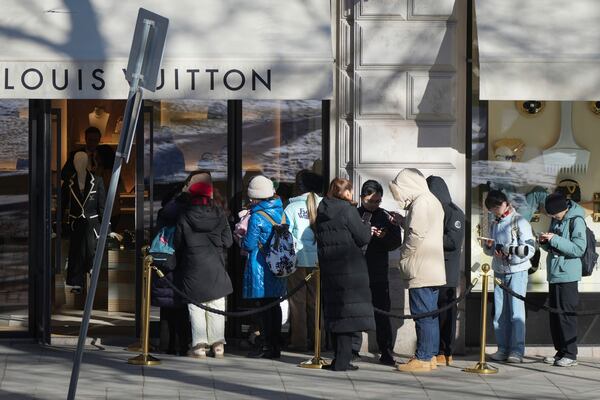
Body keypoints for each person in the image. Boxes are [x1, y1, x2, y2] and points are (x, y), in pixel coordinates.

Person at [151, 170, 213, 356]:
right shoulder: (189, 207)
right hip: (182, 261)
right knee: (180, 305)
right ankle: (181, 343)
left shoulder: (170, 205)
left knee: (168, 305)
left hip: (165, 259)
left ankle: (167, 344)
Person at [389, 168, 446, 372]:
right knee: (430, 314)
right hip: (432, 267)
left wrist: (404, 252)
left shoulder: (421, 202)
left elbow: (416, 234)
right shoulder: (431, 200)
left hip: (421, 267)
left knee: (421, 314)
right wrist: (403, 221)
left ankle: (422, 357)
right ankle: (429, 356)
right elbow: (422, 228)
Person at [315, 178, 374, 371]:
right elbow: (363, 237)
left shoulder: (322, 210)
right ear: (346, 192)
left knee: (337, 312)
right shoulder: (347, 210)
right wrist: (367, 226)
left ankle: (339, 359)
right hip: (350, 268)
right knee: (348, 316)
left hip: (330, 268)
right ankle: (342, 362)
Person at [174, 180, 233, 359]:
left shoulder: (184, 216)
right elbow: (228, 241)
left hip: (193, 267)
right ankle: (218, 347)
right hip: (215, 266)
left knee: (196, 307)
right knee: (216, 305)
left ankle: (199, 347)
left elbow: (178, 243)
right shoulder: (220, 215)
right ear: (210, 196)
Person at [483, 190, 535, 363]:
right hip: (499, 271)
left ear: (505, 203)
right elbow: (489, 250)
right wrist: (490, 247)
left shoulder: (519, 221)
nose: (495, 211)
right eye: (492, 209)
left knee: (516, 312)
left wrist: (511, 254)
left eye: (497, 207)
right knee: (499, 312)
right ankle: (502, 348)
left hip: (517, 271)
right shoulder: (493, 223)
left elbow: (530, 249)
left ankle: (517, 350)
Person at [355, 180, 402, 366]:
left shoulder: (385, 216)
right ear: (362, 198)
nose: (374, 205)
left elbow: (395, 242)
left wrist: (383, 237)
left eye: (377, 201)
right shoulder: (353, 214)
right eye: (370, 201)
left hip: (378, 271)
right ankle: (352, 348)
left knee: (382, 313)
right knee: (355, 311)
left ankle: (386, 350)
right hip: (356, 270)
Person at [242, 175, 288, 359]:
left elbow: (249, 244)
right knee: (274, 306)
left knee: (262, 308)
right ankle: (275, 346)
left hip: (260, 266)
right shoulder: (282, 213)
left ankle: (265, 345)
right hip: (278, 265)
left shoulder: (257, 217)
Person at [539, 192, 586, 367]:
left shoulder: (576, 220)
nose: (552, 216)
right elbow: (554, 246)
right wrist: (545, 241)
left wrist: (556, 239)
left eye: (553, 213)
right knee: (555, 315)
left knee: (566, 315)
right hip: (554, 272)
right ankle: (560, 352)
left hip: (568, 275)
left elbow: (579, 249)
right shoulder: (557, 219)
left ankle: (571, 354)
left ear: (562, 209)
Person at [426, 175, 465, 367]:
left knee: (446, 314)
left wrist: (428, 235)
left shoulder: (453, 212)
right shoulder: (433, 210)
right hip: (432, 268)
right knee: (433, 313)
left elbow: (452, 242)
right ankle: (435, 349)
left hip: (447, 272)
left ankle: (446, 351)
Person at [284, 170, 323, 351]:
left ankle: (298, 341)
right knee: (316, 302)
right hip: (318, 261)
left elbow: (285, 236)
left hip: (298, 260)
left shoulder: (290, 208)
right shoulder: (323, 205)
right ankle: (318, 342)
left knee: (297, 303)